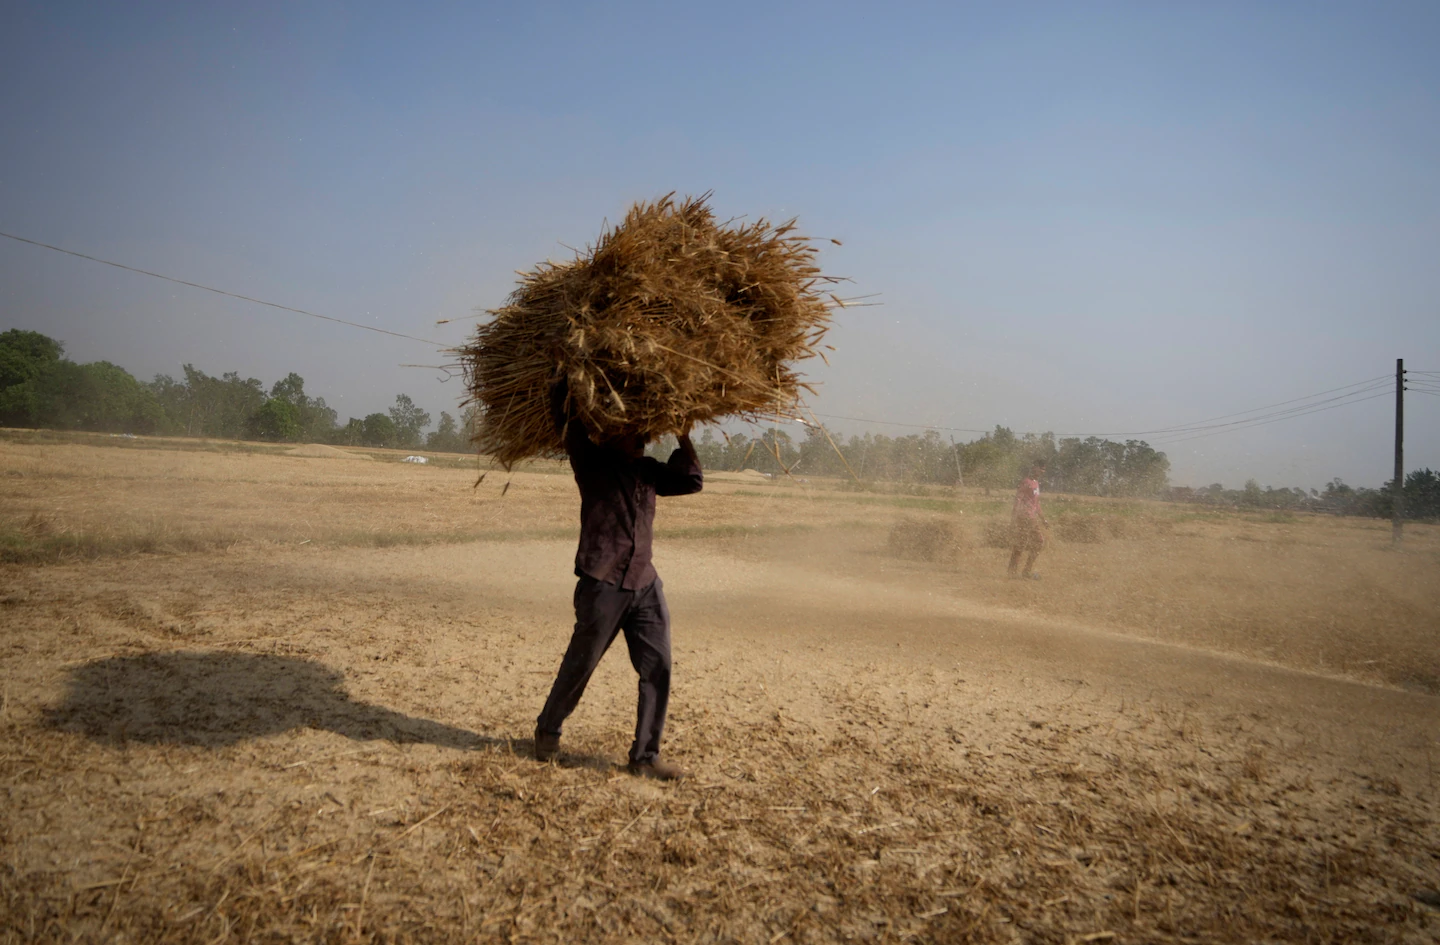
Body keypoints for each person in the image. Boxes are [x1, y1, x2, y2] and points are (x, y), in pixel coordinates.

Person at [534, 379, 703, 780]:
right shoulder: (590, 462)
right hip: (602, 582)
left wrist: (683, 433)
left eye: (641, 434)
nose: (639, 439)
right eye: (630, 432)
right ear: (611, 433)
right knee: (582, 664)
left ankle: (645, 757)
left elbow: (693, 480)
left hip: (645, 583)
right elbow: (565, 420)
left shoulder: (649, 473)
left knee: (657, 665)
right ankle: (547, 731)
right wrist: (562, 376)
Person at [1007, 461, 1049, 579]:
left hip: (1032, 517)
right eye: (1041, 468)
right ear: (1034, 467)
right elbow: (1018, 501)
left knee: (1032, 542)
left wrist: (1043, 519)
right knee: (1026, 543)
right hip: (1024, 517)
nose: (1042, 471)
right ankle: (1016, 571)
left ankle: (1020, 570)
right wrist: (1013, 518)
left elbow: (1037, 504)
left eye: (1044, 469)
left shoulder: (1036, 483)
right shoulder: (1026, 482)